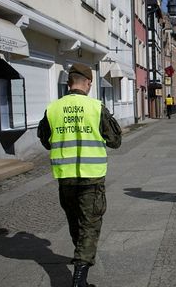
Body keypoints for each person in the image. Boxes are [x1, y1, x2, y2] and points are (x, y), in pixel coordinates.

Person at [37, 63, 122, 287]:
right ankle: (79, 279)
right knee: (90, 225)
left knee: (76, 224)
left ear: (68, 83)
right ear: (88, 83)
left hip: (65, 178)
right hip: (91, 178)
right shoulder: (95, 107)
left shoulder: (53, 108)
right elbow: (115, 141)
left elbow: (45, 141)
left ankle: (81, 268)